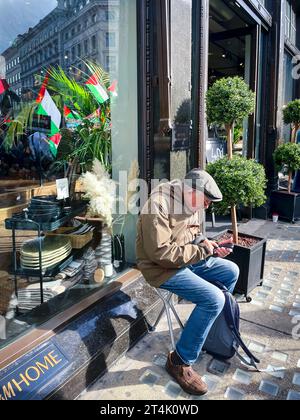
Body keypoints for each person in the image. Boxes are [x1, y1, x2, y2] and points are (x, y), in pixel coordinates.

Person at [136, 169, 239, 396]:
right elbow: (160, 254)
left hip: (186, 260)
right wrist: (201, 250)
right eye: (206, 201)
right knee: (213, 299)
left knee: (231, 271)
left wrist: (209, 245)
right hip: (161, 268)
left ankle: (208, 335)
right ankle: (180, 360)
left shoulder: (192, 202)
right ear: (192, 191)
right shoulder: (158, 205)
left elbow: (194, 235)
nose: (207, 207)